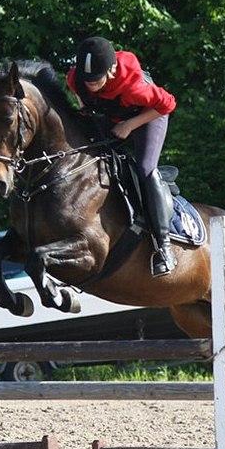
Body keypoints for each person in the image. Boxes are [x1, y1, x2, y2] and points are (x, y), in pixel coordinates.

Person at [66, 36, 178, 276]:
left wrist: (129, 126)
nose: (91, 85)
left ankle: (164, 246)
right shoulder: (76, 80)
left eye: (96, 80)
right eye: (88, 81)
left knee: (145, 168)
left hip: (149, 115)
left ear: (112, 70)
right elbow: (81, 96)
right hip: (115, 117)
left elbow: (167, 104)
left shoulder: (134, 85)